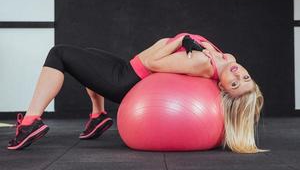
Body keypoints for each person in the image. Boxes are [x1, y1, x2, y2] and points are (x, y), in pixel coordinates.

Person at [7, 32, 266, 154]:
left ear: (222, 88)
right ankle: (98, 116)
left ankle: (30, 122)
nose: (237, 74)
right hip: (127, 69)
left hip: (126, 79)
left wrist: (177, 41)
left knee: (59, 54)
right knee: (86, 54)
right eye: (244, 77)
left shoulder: (202, 62)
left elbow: (152, 63)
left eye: (235, 84)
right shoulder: (227, 58)